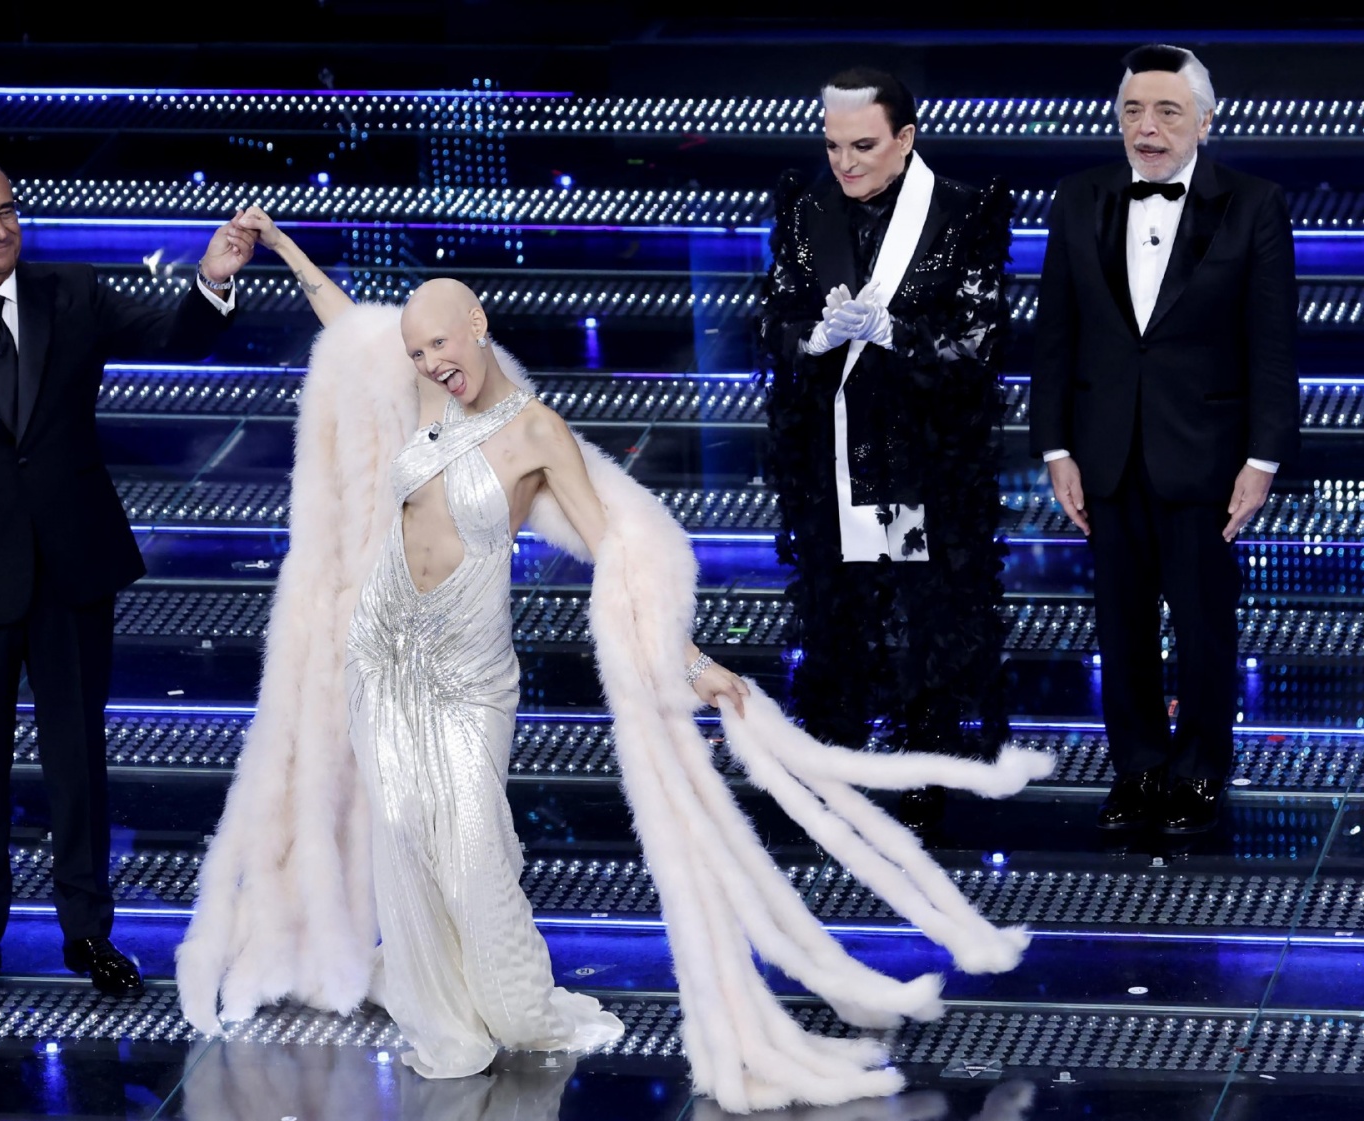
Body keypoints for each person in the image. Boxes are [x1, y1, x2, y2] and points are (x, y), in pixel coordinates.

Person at [176, 210, 1055, 1112]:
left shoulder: (536, 431)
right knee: (404, 844)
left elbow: (613, 557)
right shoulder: (417, 401)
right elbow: (344, 322)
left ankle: (514, 1005)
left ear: (476, 326)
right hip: (385, 659)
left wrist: (688, 659)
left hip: (471, 670)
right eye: (414, 350)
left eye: (440, 341)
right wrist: (284, 251)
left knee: (474, 847)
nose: (430, 360)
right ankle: (445, 1027)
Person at [0, 152, 254, 1003]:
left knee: (78, 758)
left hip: (73, 568)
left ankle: (89, 934)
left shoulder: (71, 292)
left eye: (9, 210)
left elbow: (174, 335)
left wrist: (214, 280)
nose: (2, 228)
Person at [1030, 45, 1299, 835]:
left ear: (1205, 122)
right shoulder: (1078, 198)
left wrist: (1262, 457)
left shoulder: (1253, 203)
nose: (1146, 129)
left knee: (1207, 626)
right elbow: (1055, 335)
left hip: (1209, 455)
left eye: (1167, 111)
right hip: (1105, 451)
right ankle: (1140, 768)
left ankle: (1200, 771)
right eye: (1133, 112)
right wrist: (1055, 447)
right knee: (1120, 625)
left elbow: (1273, 345)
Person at [758, 68, 1013, 831]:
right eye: (833, 145)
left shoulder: (962, 210)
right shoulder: (806, 212)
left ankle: (923, 763)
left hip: (925, 452)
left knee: (925, 606)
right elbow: (773, 318)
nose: (845, 162)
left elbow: (982, 342)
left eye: (863, 145)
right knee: (837, 604)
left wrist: (895, 335)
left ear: (904, 138)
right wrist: (813, 336)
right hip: (829, 446)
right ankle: (836, 753)